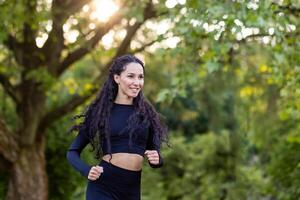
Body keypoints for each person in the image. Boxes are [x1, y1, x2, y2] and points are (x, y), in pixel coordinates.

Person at [66, 54, 169, 200]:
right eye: (131, 76)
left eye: (140, 77)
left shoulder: (147, 114)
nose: (137, 82)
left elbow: (154, 154)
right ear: (117, 78)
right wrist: (86, 170)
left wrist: (157, 159)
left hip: (132, 190)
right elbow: (72, 151)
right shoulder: (101, 112)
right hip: (104, 187)